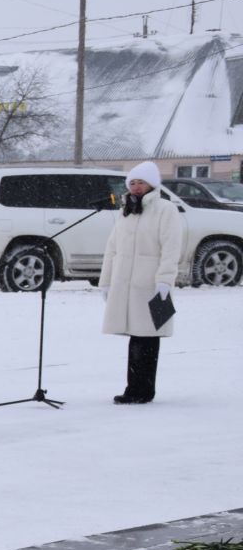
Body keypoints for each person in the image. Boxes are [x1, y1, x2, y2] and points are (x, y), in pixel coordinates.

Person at [101, 160, 185, 405]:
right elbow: (112, 247)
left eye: (142, 182)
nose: (137, 187)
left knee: (147, 337)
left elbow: (171, 247)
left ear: (152, 184)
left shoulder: (165, 209)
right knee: (135, 337)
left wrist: (165, 280)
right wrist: (106, 280)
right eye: (133, 183)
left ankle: (143, 390)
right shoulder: (126, 209)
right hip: (125, 283)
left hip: (150, 283)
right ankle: (132, 388)